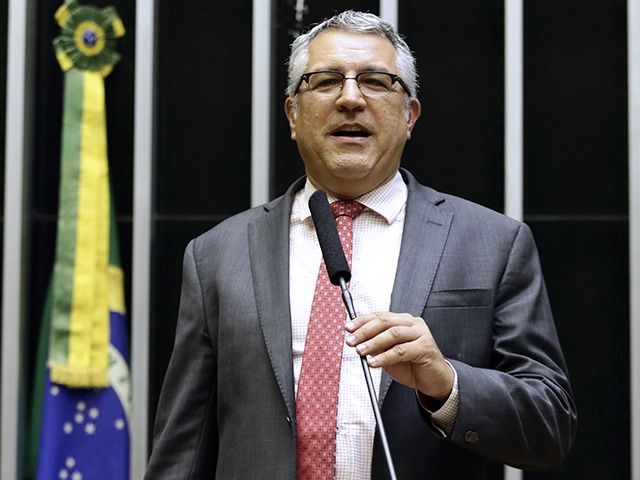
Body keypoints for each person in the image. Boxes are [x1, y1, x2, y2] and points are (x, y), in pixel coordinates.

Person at [145, 10, 577, 479]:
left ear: (409, 115)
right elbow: (182, 452)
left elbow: (549, 426)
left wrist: (445, 382)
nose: (351, 98)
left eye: (375, 81)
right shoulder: (215, 255)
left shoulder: (494, 244)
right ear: (293, 114)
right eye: (326, 81)